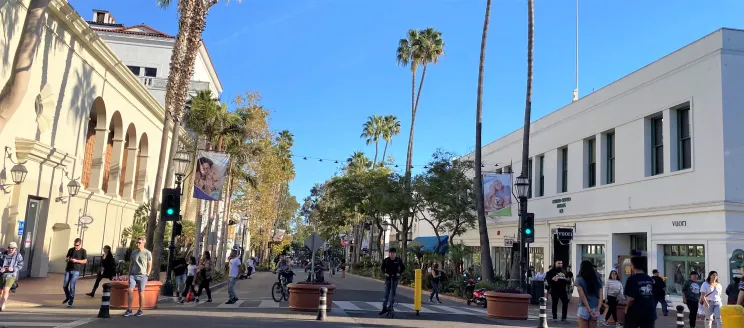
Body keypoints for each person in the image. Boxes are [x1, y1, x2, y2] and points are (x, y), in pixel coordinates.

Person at [623, 256, 656, 328]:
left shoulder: (632, 279)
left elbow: (631, 298)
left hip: (635, 313)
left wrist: (626, 308)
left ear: (633, 266)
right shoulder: (649, 278)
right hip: (649, 311)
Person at [123, 237, 151, 317]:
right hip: (133, 275)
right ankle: (129, 309)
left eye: (139, 242)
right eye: (137, 242)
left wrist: (147, 274)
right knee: (130, 291)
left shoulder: (147, 253)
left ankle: (140, 310)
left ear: (143, 243)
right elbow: (131, 264)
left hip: (142, 275)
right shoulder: (134, 252)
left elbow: (150, 264)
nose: (137, 244)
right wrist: (129, 274)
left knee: (141, 292)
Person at [576, 260, 603, 328]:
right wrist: (598, 309)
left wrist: (589, 310)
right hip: (595, 308)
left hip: (584, 308)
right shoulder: (597, 280)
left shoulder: (579, 280)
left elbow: (583, 297)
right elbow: (601, 297)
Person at [379, 248, 404, 316]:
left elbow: (403, 268)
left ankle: (391, 306)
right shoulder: (386, 260)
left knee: (393, 293)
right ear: (389, 253)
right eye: (391, 253)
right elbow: (382, 268)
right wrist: (385, 273)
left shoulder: (398, 260)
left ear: (395, 254)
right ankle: (384, 308)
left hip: (395, 279)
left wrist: (399, 273)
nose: (392, 254)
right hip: (388, 279)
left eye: (393, 253)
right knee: (386, 294)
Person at [63, 238, 87, 307]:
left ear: (80, 244)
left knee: (72, 285)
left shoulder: (83, 251)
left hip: (76, 270)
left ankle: (71, 301)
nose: (75, 246)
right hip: (68, 269)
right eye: (74, 245)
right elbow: (66, 258)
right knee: (65, 286)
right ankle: (68, 297)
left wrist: (76, 261)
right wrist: (68, 259)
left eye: (77, 245)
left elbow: (85, 261)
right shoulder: (71, 250)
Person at [0, 242, 23, 312]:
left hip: (11, 275)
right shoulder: (2, 254)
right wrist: (1, 268)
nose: (11, 250)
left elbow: (20, 265)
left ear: (15, 249)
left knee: (6, 290)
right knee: (0, 291)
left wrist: (13, 269)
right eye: (10, 248)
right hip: (2, 275)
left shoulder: (18, 256)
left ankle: (2, 304)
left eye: (13, 248)